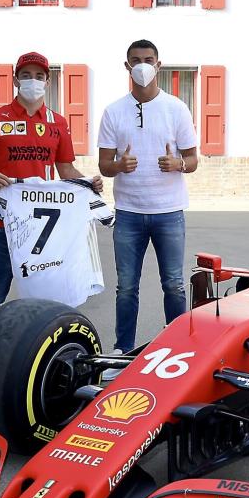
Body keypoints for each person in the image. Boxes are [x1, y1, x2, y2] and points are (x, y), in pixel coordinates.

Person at [0, 51, 102, 332]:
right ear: (16, 80)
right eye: (26, 75)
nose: (32, 81)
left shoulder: (58, 122)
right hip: (6, 224)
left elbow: (66, 171)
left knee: (48, 298)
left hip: (45, 230)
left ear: (47, 82)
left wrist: (88, 184)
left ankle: (41, 353)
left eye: (39, 76)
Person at [97, 39, 199, 357]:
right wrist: (119, 166)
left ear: (158, 64)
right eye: (136, 60)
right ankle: (122, 349)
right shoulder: (113, 112)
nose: (142, 65)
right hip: (128, 212)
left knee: (173, 284)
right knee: (126, 286)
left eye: (148, 59)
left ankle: (178, 347)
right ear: (127, 66)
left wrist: (178, 164)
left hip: (168, 211)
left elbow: (193, 160)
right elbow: (104, 165)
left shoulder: (176, 108)